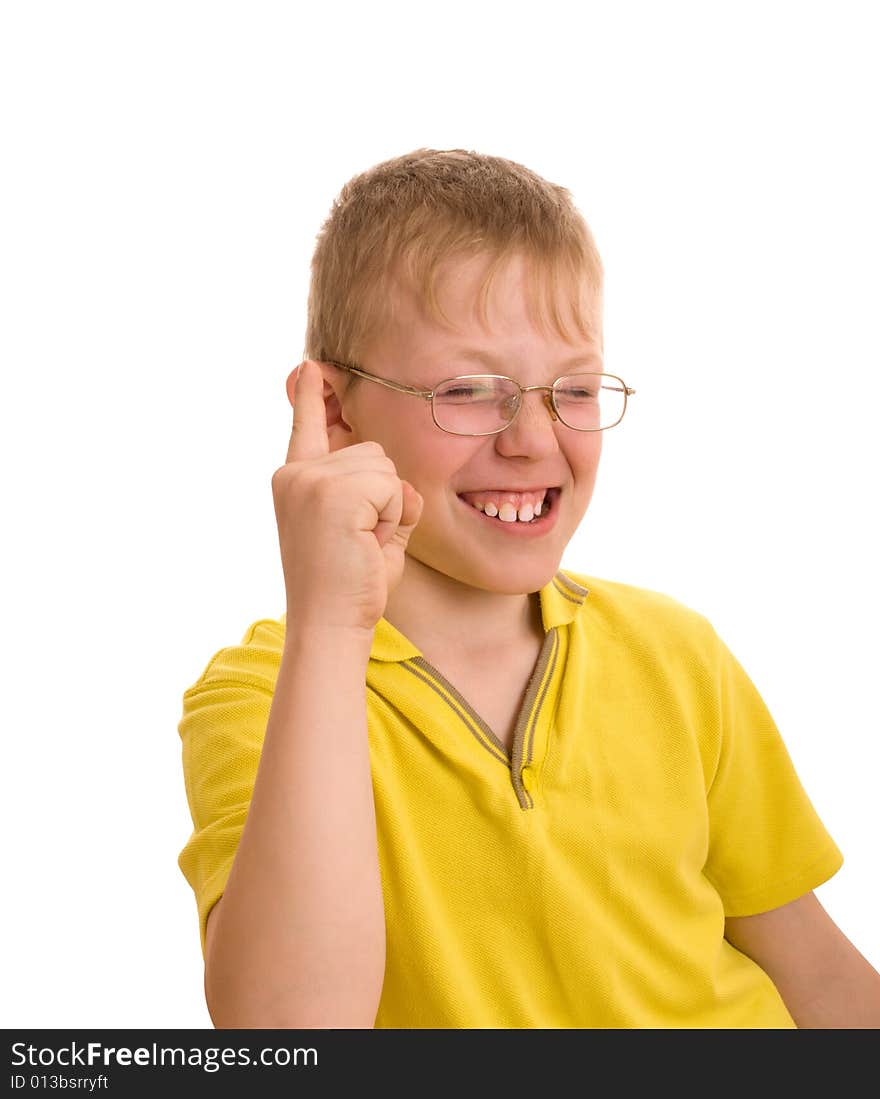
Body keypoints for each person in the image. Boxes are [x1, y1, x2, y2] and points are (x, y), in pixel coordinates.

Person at [176, 147, 880, 1029]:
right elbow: (292, 1034)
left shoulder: (678, 654)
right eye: (470, 390)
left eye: (574, 389)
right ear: (333, 409)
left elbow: (819, 976)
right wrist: (329, 618)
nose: (534, 440)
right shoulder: (262, 695)